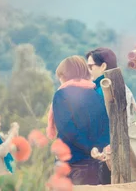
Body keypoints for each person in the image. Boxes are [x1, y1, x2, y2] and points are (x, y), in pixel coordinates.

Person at [47, 56, 110, 185]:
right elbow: (105, 125)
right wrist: (96, 148)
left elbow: (67, 129)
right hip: (94, 162)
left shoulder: (61, 95)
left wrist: (87, 148)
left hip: (70, 161)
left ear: (64, 76)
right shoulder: (95, 94)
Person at [85, 47, 136, 124]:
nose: (88, 70)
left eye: (90, 66)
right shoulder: (120, 85)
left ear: (103, 66)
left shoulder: (104, 89)